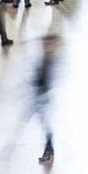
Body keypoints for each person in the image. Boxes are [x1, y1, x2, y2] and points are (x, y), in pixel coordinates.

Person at [34, 34, 58, 164]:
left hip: (45, 100)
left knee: (47, 128)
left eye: (48, 43)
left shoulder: (52, 61)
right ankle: (49, 153)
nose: (44, 46)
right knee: (46, 127)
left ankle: (49, 153)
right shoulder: (45, 58)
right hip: (38, 98)